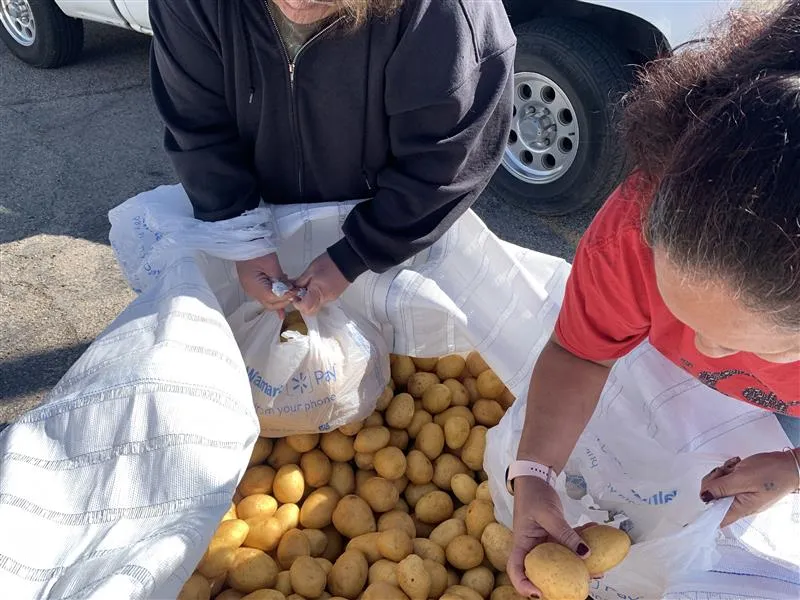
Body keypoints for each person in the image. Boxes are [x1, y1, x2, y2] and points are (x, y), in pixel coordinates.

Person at [505, 3, 800, 597]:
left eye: (743, 341)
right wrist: (534, 472)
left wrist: (792, 470)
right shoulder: (632, 233)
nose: (703, 353)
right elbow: (581, 354)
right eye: (677, 309)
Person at [148, 0, 515, 316]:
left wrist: (356, 254)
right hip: (257, 217)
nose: (299, 3)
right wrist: (243, 241)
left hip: (395, 234)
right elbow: (198, 121)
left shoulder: (443, 12)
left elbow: (443, 157)